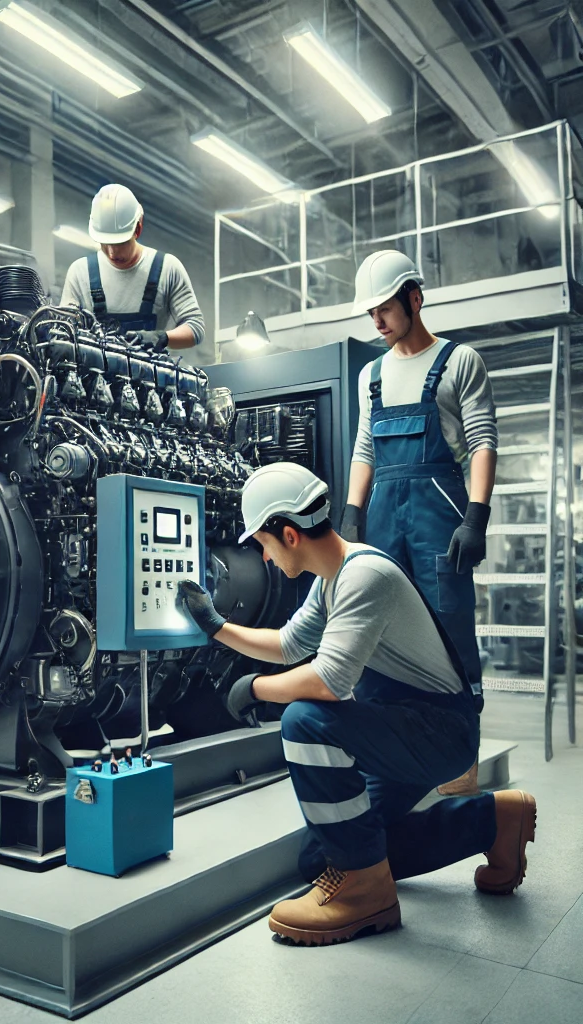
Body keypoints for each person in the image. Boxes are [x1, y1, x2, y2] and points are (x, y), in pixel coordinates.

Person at [179, 463, 536, 947]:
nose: (262, 557)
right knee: (322, 857)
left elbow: (328, 681)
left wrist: (257, 690)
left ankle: (367, 892)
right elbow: (287, 644)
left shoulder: (364, 575)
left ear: (288, 534)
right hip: (401, 728)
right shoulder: (331, 580)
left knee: (306, 720)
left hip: (438, 732)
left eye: (262, 543)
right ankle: (491, 822)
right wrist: (216, 626)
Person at [339, 251, 497, 747]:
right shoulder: (372, 375)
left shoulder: (459, 361)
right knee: (376, 617)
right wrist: (351, 515)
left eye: (385, 308)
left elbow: (482, 441)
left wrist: (476, 517)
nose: (378, 321)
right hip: (383, 513)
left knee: (447, 618)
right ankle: (388, 733)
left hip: (439, 512)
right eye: (371, 313)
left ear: (414, 298)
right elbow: (365, 446)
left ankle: (459, 740)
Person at [59, 183, 205, 352]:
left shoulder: (167, 268)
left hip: (153, 376)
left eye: (120, 242)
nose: (112, 253)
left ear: (138, 228)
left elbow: (195, 327)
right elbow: (65, 332)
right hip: (95, 377)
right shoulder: (80, 273)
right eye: (105, 243)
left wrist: (162, 337)